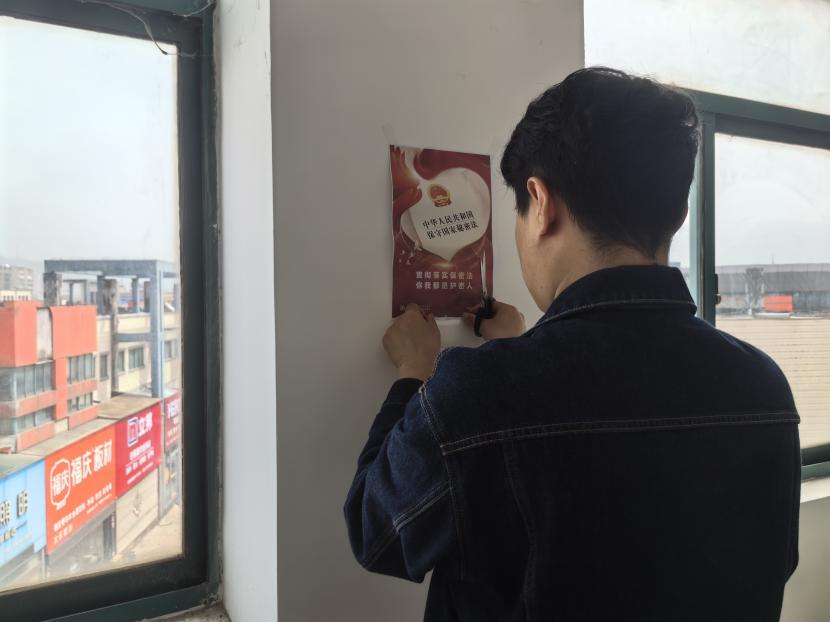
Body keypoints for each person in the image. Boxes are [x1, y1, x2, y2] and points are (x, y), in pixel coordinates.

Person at [344, 67, 800, 622]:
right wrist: (518, 351)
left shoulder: (475, 394)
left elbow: (376, 531)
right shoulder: (763, 388)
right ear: (679, 216)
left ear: (541, 203)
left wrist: (414, 372)